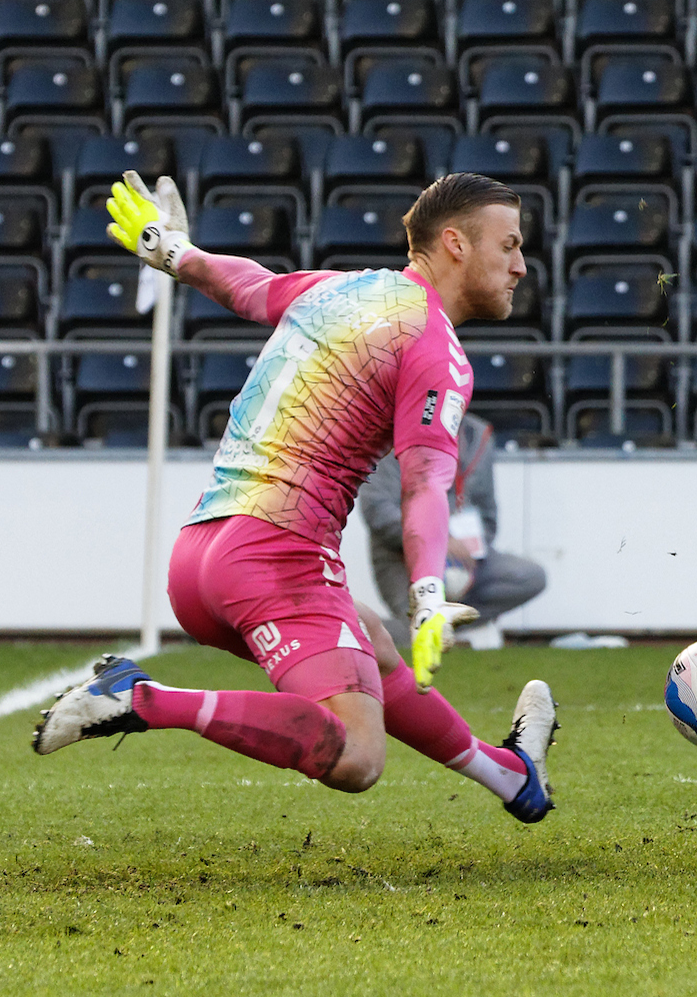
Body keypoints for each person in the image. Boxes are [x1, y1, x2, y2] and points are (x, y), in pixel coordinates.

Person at [31, 173, 559, 824]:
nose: (520, 264)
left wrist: (173, 252)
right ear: (455, 242)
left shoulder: (342, 288)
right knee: (358, 755)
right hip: (277, 558)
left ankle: (511, 779)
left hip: (200, 559)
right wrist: (427, 595)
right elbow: (424, 481)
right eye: (507, 245)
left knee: (370, 644)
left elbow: (248, 285)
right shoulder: (433, 346)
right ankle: (141, 698)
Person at [359, 411, 547, 648]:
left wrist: (473, 549)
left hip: (465, 562)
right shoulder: (392, 434)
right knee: (415, 636)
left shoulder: (479, 435)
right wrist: (437, 541)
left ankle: (447, 627)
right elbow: (377, 511)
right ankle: (368, 632)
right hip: (402, 560)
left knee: (530, 577)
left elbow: (488, 516)